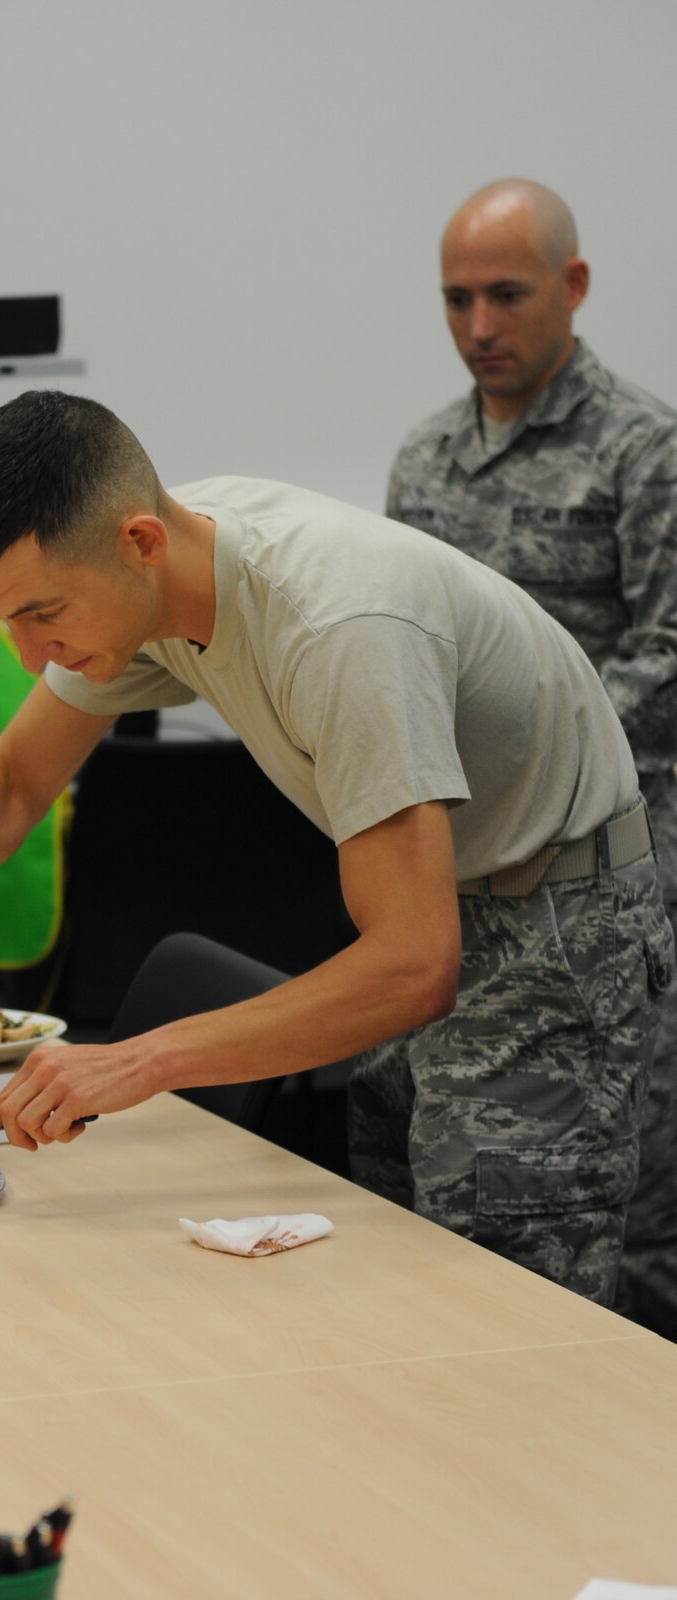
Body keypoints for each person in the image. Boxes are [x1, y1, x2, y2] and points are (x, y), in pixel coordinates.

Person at [0, 389, 676, 1314]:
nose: (25, 655)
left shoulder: (339, 628)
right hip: (444, 894)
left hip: (554, 918)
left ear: (140, 544)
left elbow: (414, 965)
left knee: (503, 1297)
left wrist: (140, 1060)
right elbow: (14, 782)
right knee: (394, 1253)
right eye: (5, 622)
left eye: (42, 615)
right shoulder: (151, 577)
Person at [387, 178, 677, 1335]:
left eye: (504, 295)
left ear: (572, 286)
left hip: (616, 867)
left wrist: (531, 765)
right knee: (466, 1176)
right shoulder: (423, 459)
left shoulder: (640, 451)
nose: (477, 328)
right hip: (458, 871)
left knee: (627, 1178)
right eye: (454, 299)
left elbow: (668, 649)